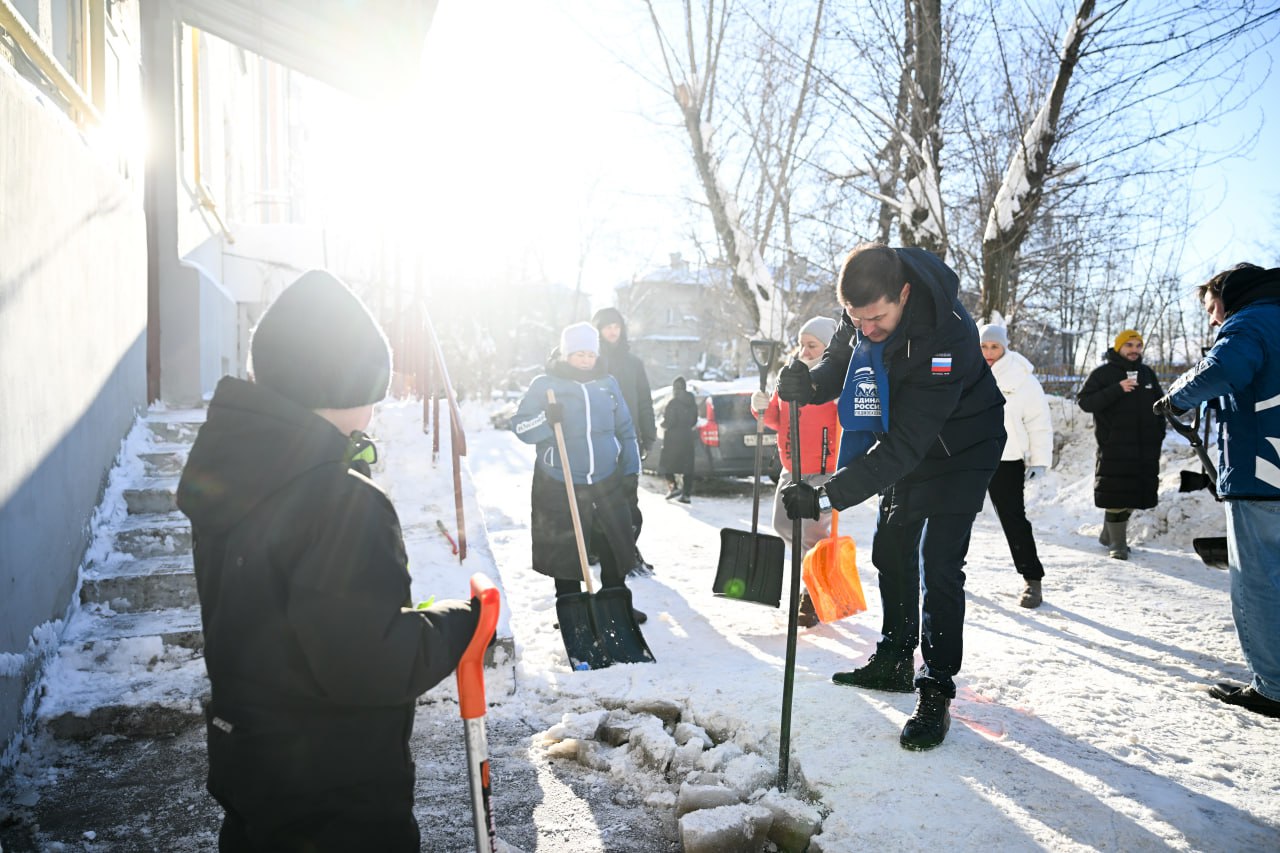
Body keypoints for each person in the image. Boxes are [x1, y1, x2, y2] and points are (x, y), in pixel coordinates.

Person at [176, 271, 479, 852]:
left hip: (255, 769)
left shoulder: (233, 476)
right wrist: (460, 623)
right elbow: (370, 662)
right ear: (342, 387)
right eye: (371, 393)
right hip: (336, 793)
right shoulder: (340, 501)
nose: (374, 412)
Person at [777, 243, 1006, 751]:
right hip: (907, 440)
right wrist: (808, 386)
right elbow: (842, 360)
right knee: (891, 547)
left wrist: (826, 496)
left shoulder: (947, 334)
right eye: (856, 318)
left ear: (903, 294)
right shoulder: (863, 306)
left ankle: (936, 688)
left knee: (938, 562)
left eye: (876, 318)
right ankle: (895, 658)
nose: (866, 328)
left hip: (964, 448)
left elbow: (905, 447)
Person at [1157, 263, 1280, 719]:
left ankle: (1273, 687)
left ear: (1231, 295)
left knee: (1259, 580)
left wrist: (1175, 397)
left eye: (1213, 308)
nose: (1213, 320)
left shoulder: (1251, 322)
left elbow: (1224, 366)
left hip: (1264, 473)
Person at [511, 322, 647, 623]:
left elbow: (625, 429)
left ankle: (615, 599)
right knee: (565, 546)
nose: (586, 360)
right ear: (566, 354)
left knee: (617, 539)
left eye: (590, 354)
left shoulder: (607, 383)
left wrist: (630, 471)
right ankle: (571, 606)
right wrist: (546, 420)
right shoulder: (545, 385)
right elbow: (520, 426)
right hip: (560, 478)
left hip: (607, 476)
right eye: (579, 354)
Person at [751, 316, 841, 627]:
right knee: (783, 525)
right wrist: (761, 406)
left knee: (812, 533)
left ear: (828, 347)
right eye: (802, 344)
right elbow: (775, 420)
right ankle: (816, 574)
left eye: (812, 345)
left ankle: (812, 595)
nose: (804, 350)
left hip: (822, 471)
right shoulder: (788, 375)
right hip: (791, 469)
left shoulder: (834, 382)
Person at [979, 324, 1054, 608]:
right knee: (954, 517)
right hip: (969, 457)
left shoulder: (1022, 378)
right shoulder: (967, 370)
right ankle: (945, 573)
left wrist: (1039, 460)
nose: (988, 352)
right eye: (983, 346)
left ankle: (1032, 578)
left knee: (1013, 519)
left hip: (1006, 459)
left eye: (994, 347)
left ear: (1004, 347)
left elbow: (1038, 422)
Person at [1076, 329, 1166, 559]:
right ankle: (1118, 544)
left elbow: (1160, 404)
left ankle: (1108, 534)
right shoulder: (1103, 373)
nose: (1134, 350)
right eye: (1129, 345)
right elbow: (1085, 402)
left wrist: (1159, 433)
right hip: (1115, 447)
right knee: (1116, 495)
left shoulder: (1147, 374)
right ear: (1119, 347)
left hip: (1145, 447)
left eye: (1138, 345)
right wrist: (1117, 389)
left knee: (1136, 493)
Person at [592, 307, 658, 576]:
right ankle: (600, 548)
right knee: (600, 499)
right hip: (598, 441)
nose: (613, 331)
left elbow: (644, 401)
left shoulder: (633, 363)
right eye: (607, 326)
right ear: (598, 330)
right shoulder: (591, 362)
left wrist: (648, 435)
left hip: (628, 438)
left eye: (616, 326)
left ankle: (627, 549)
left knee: (629, 498)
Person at [659, 375, 698, 503]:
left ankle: (673, 487)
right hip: (687, 437)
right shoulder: (692, 402)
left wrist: (663, 424)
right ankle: (686, 495)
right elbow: (694, 421)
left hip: (673, 440)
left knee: (666, 465)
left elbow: (669, 422)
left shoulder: (673, 403)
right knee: (688, 467)